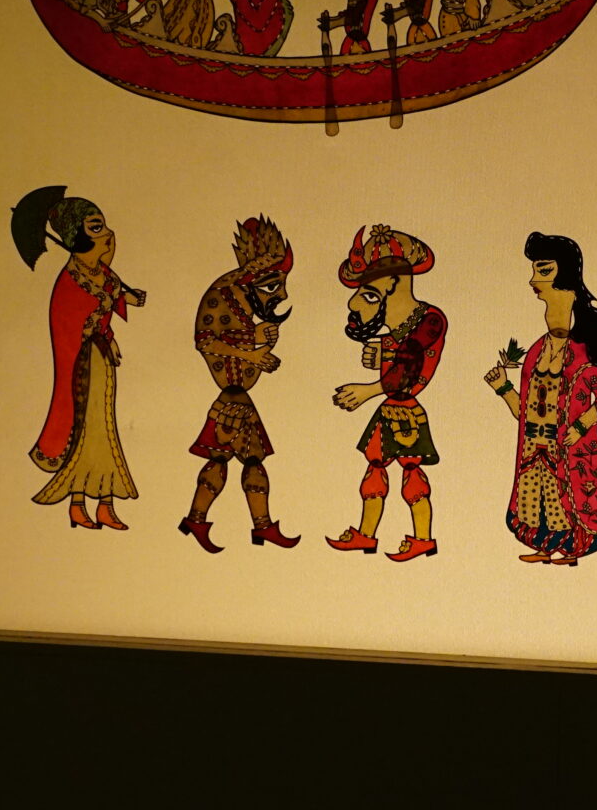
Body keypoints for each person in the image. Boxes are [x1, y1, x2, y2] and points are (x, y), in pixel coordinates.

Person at [483, 232, 597, 565]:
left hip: (571, 448)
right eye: (535, 270)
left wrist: (580, 427)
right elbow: (525, 412)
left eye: (544, 270)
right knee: (536, 500)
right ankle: (544, 547)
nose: (533, 280)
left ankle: (573, 550)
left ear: (566, 277)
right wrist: (504, 388)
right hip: (534, 448)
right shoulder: (536, 351)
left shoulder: (584, 350)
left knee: (573, 500)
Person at [13, 185, 147, 530]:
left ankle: (104, 504)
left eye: (103, 225)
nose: (109, 234)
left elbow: (110, 295)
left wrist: (126, 298)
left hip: (101, 362)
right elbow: (75, 324)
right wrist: (106, 331)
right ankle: (77, 503)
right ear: (77, 235)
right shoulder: (70, 280)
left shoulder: (101, 273)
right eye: (96, 227)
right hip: (83, 366)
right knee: (87, 432)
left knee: (104, 430)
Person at [180, 216, 301, 552]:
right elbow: (206, 341)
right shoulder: (220, 298)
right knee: (236, 461)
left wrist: (260, 343)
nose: (282, 294)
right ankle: (241, 525)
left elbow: (237, 340)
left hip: (238, 395)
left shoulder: (238, 303)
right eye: (272, 286)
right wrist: (253, 350)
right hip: (232, 397)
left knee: (237, 461)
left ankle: (210, 521)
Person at [327, 225, 445, 562]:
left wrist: (369, 390)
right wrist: (383, 349)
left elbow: (407, 368)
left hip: (406, 412)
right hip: (393, 408)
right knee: (375, 470)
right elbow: (398, 353)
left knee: (411, 473)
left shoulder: (430, 320)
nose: (355, 303)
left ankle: (423, 539)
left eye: (369, 294)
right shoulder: (397, 329)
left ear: (393, 283)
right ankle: (367, 535)